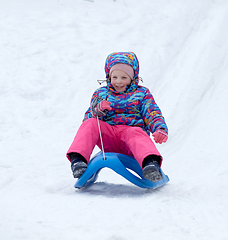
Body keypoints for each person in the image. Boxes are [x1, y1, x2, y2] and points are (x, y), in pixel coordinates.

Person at [66, 52, 168, 182]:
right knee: (91, 123)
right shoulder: (101, 93)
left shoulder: (142, 93)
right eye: (114, 77)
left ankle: (150, 164)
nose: (118, 82)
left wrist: (160, 128)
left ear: (132, 77)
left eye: (124, 77)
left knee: (136, 131)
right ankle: (78, 160)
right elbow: (87, 120)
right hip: (109, 138)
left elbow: (152, 112)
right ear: (108, 77)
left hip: (131, 139)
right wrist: (97, 110)